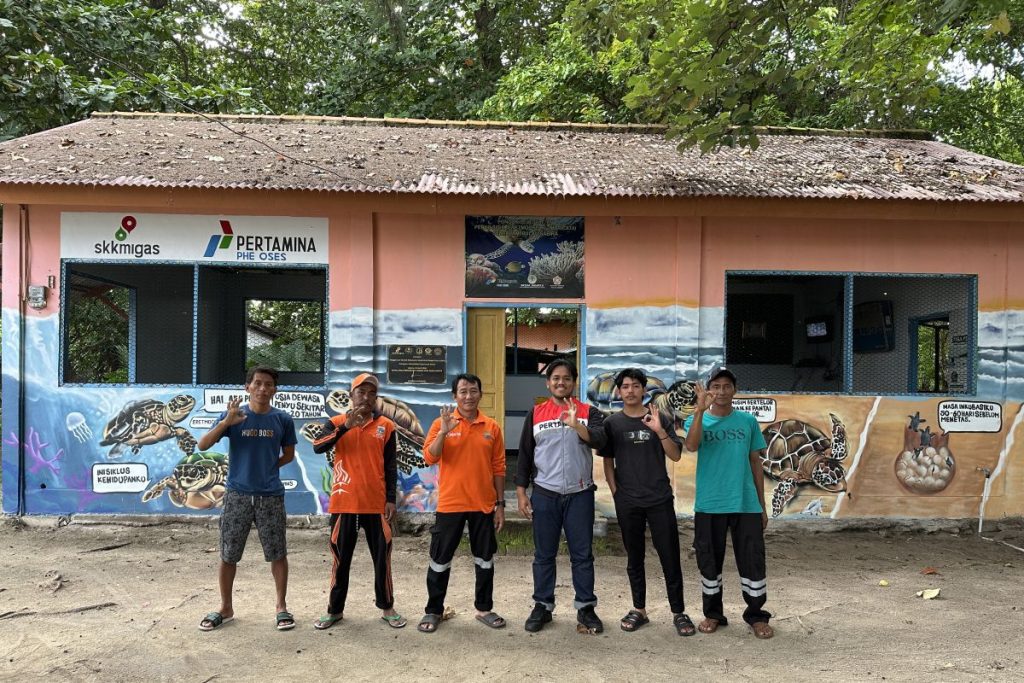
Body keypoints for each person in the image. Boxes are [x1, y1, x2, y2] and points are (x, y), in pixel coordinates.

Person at [197, 365, 297, 632]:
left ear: (275, 390)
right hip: (237, 495)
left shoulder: (282, 420)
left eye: (268, 384)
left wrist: (268, 468)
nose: (263, 388)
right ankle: (225, 608)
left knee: (278, 553)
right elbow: (203, 445)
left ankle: (281, 607)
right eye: (258, 383)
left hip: (270, 496)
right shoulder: (234, 416)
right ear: (248, 387)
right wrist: (225, 423)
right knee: (228, 554)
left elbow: (289, 455)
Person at [599, 368, 696, 636]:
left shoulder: (660, 416)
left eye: (635, 385)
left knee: (669, 556)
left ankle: (678, 612)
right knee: (635, 558)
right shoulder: (612, 423)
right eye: (625, 386)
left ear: (643, 389)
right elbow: (608, 460)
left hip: (659, 499)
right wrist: (616, 491)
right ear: (619, 391)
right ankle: (639, 610)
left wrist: (659, 430)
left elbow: (675, 455)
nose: (630, 390)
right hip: (628, 501)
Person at [683, 365, 774, 639]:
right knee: (709, 560)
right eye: (716, 386)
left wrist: (761, 505)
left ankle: (756, 615)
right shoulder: (697, 419)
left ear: (735, 390)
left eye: (726, 386)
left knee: (753, 561)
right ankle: (713, 614)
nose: (721, 391)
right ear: (709, 390)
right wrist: (700, 411)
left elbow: (755, 462)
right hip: (710, 503)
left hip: (745, 503)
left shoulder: (747, 421)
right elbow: (691, 445)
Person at [515, 359, 607, 633]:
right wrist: (521, 492)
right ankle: (542, 606)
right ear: (548, 383)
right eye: (555, 378)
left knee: (582, 555)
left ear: (574, 383)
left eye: (566, 378)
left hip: (580, 494)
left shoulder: (589, 412)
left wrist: (576, 425)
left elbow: (600, 440)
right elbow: (525, 455)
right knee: (544, 554)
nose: (561, 382)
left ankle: (586, 608)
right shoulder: (536, 413)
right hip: (545, 493)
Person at [310, 373, 407, 630]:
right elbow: (318, 446)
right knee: (340, 561)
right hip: (345, 505)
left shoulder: (386, 426)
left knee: (382, 560)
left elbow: (390, 466)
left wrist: (390, 499)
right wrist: (345, 427)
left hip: (376, 506)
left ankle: (387, 607)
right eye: (361, 392)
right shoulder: (336, 422)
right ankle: (334, 610)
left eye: (371, 393)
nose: (366, 397)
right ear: (351, 395)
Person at [417, 373, 507, 633]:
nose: (469, 396)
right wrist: (444, 432)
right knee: (440, 559)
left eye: (473, 391)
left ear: (480, 394)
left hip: (483, 505)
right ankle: (434, 610)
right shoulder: (441, 423)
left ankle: (484, 609)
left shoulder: (492, 427)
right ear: (454, 396)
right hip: (450, 504)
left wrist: (500, 504)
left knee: (485, 559)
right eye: (463, 391)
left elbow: (499, 467)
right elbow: (430, 458)